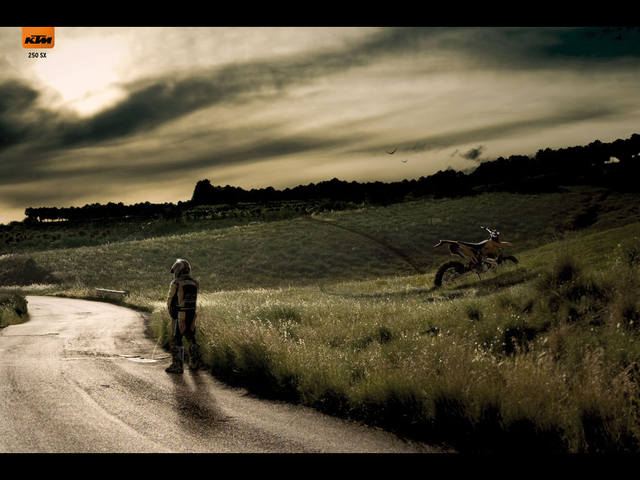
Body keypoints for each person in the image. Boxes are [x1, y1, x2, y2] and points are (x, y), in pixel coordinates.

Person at [165, 258, 203, 374]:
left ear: (178, 270)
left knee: (177, 339)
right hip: (192, 314)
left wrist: (172, 313)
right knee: (191, 337)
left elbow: (170, 300)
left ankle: (177, 366)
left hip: (180, 314)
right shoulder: (195, 283)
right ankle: (194, 364)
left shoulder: (176, 283)